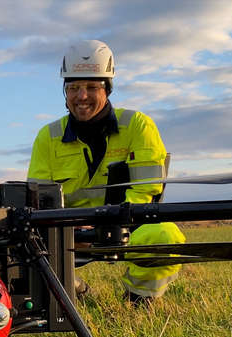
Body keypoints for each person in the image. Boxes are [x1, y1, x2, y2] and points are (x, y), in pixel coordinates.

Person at [27, 40, 184, 303]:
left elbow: (147, 190)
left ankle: (139, 300)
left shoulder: (138, 126)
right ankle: (78, 291)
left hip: (126, 226)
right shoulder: (48, 136)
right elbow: (38, 199)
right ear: (65, 92)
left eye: (91, 87)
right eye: (73, 88)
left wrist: (104, 224)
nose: (81, 96)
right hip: (67, 231)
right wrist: (71, 227)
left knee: (165, 235)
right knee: (19, 245)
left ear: (107, 89)